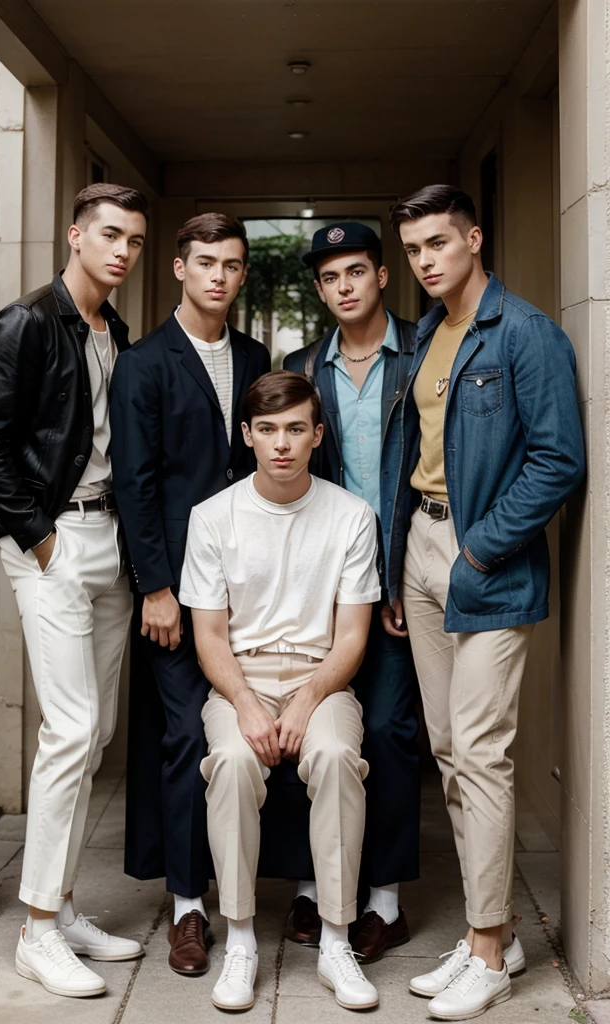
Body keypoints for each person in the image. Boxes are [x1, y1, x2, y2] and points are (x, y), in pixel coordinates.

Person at [385, 184, 585, 1020]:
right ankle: (479, 937)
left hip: (486, 561)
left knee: (481, 751)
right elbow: (415, 456)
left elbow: (557, 461)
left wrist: (476, 546)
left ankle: (494, 949)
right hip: (422, 558)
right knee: (447, 751)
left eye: (438, 242)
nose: (426, 260)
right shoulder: (428, 333)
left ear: (473, 237)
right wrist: (404, 560)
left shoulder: (527, 333)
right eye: (415, 249)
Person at [0, 183, 149, 997]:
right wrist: (37, 534)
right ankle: (36, 931)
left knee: (96, 729)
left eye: (135, 241)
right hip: (55, 540)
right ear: (75, 234)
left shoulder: (113, 329)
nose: (123, 252)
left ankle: (62, 904)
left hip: (109, 540)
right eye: (110, 235)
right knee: (71, 729)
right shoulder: (31, 319)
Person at [179, 370, 381, 1012]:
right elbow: (208, 638)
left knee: (334, 758)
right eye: (267, 429)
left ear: (318, 435)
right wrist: (244, 703)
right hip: (241, 677)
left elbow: (352, 638)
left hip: (323, 680)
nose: (282, 443)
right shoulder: (213, 517)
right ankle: (240, 941)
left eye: (296, 428)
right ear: (247, 436)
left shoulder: (352, 516)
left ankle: (335, 939)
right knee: (234, 761)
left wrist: (304, 699)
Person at [109, 213, 270, 976]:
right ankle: (186, 907)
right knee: (182, 740)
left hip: (252, 587)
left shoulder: (254, 355)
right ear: (178, 268)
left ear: (242, 276)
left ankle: (261, 886)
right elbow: (134, 484)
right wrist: (156, 587)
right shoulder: (143, 363)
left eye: (231, 265)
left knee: (250, 729)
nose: (218, 275)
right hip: (177, 589)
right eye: (204, 261)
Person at [283, 221, 420, 962]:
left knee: (393, 733)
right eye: (331, 277)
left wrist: (403, 573)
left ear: (381, 276)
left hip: (395, 582)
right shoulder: (304, 366)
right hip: (325, 590)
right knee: (309, 730)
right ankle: (309, 885)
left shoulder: (421, 354)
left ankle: (385, 901)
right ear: (321, 287)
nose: (344, 287)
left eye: (356, 273)